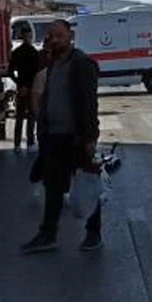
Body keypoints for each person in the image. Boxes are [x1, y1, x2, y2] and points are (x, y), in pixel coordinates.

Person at [22, 19, 104, 254]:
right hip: (54, 137)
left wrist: (89, 138)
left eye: (59, 36)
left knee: (87, 185)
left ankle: (93, 232)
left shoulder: (81, 64)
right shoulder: (53, 63)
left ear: (70, 36)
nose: (55, 40)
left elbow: (89, 104)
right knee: (53, 187)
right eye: (51, 36)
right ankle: (47, 234)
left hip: (76, 137)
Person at [8, 27, 41, 152]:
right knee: (29, 116)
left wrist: (19, 85)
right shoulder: (33, 52)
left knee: (21, 117)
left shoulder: (17, 52)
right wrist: (28, 86)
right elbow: (37, 72)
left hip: (22, 88)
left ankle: (18, 144)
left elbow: (10, 71)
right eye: (28, 35)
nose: (28, 38)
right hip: (29, 88)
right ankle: (29, 142)